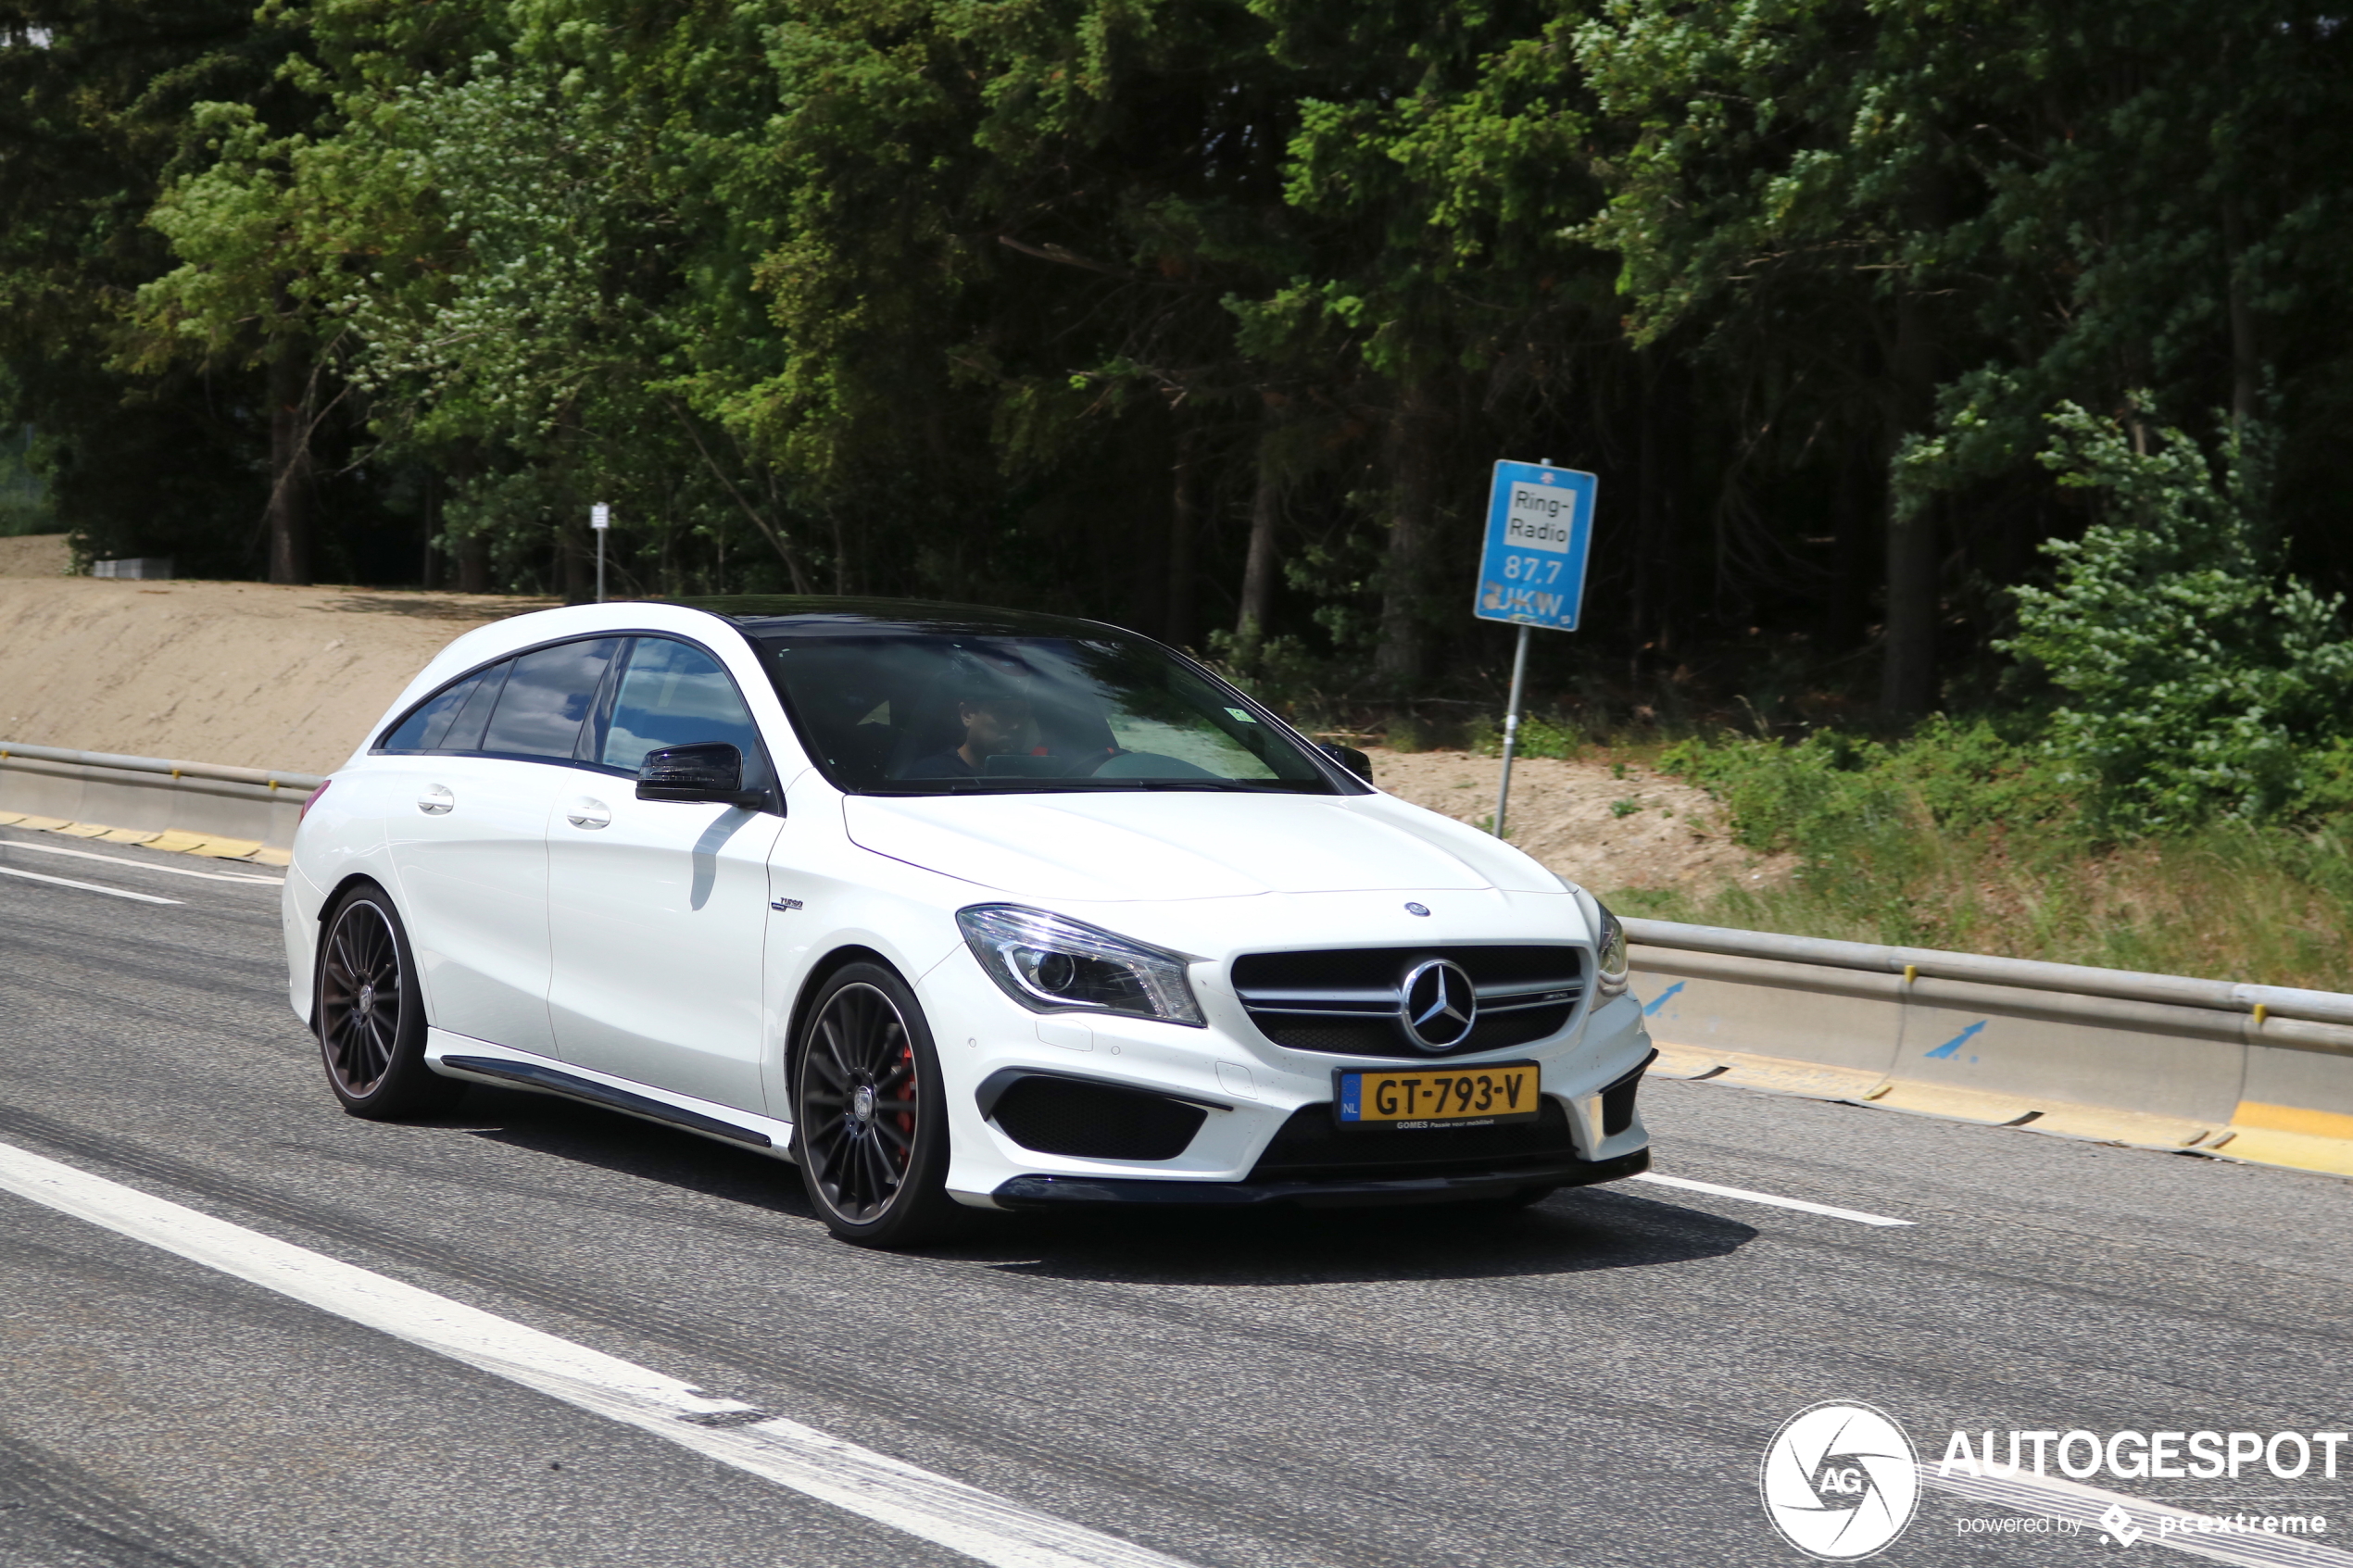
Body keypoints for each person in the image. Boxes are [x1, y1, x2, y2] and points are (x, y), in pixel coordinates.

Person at [901, 677, 1039, 778]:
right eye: (1003, 712)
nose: (1017, 725)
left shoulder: (1039, 776)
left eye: (1022, 714)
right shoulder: (930, 778)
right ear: (967, 715)